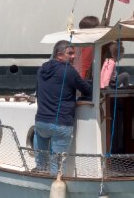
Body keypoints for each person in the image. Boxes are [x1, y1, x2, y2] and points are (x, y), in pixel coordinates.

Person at [34, 40, 92, 174]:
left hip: (41, 123)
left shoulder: (42, 69)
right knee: (57, 168)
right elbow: (87, 89)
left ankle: (42, 188)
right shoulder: (68, 71)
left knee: (41, 166)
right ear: (59, 55)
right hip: (60, 124)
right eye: (70, 53)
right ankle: (57, 189)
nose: (74, 56)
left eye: (74, 53)